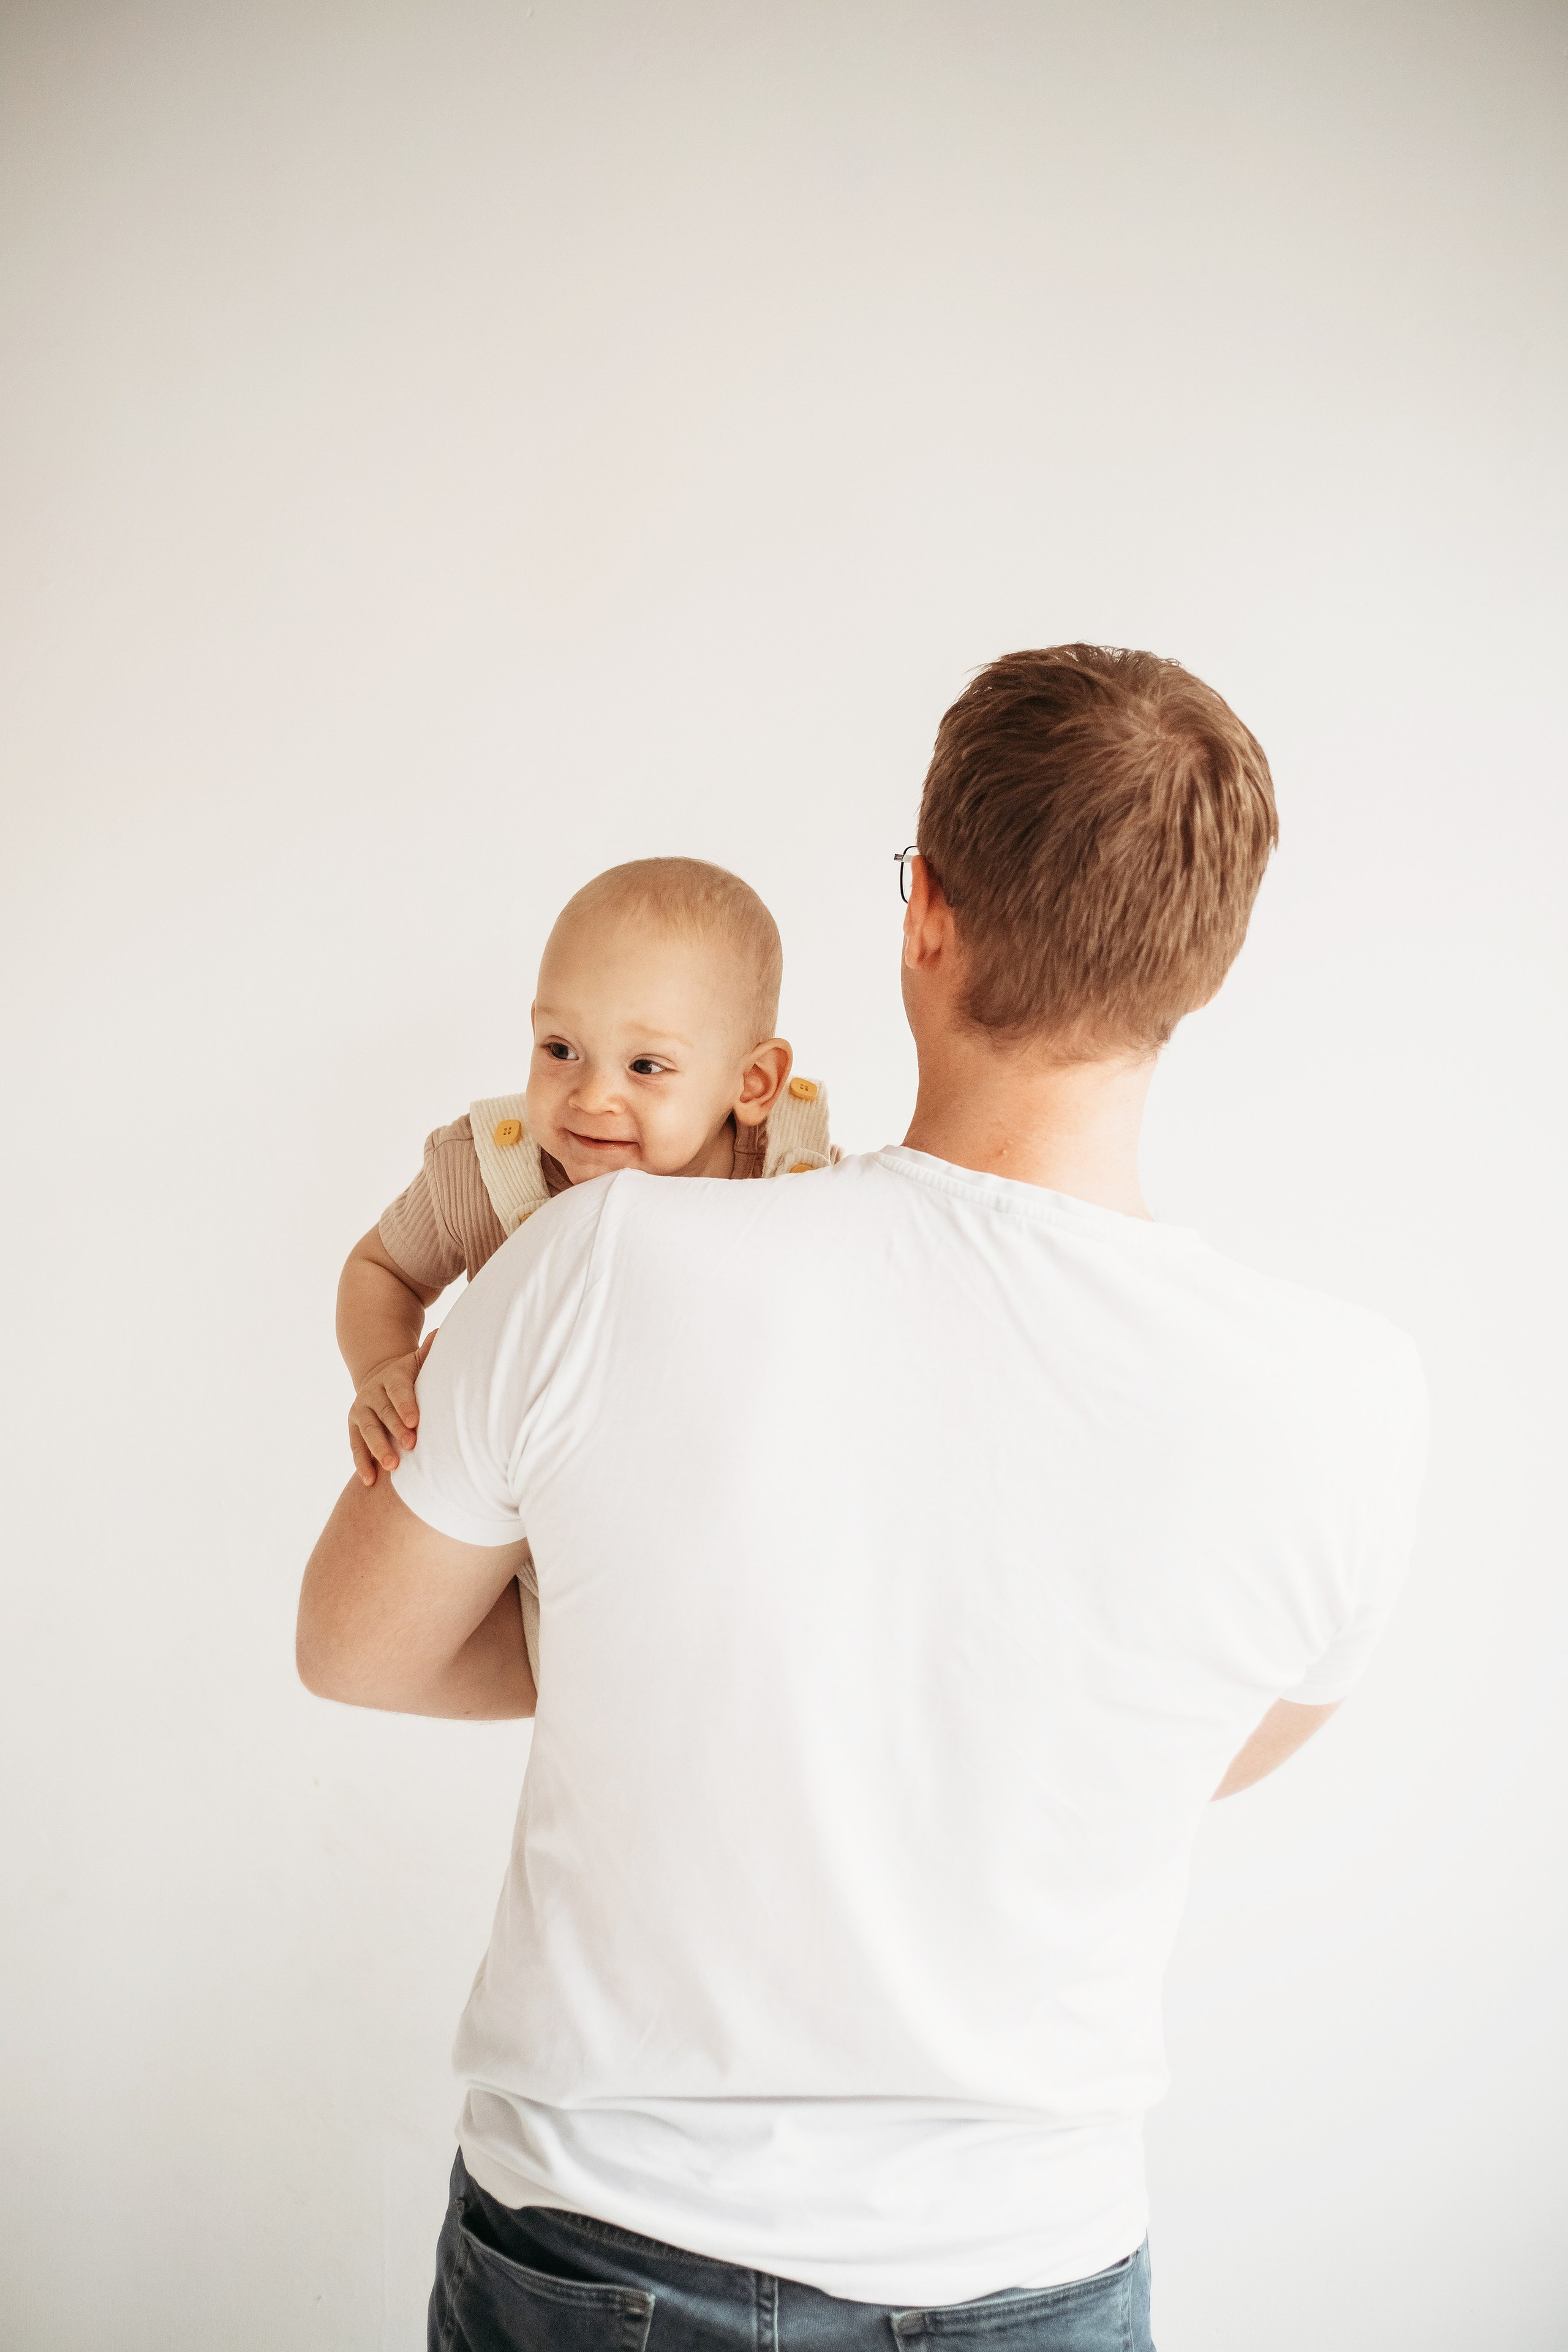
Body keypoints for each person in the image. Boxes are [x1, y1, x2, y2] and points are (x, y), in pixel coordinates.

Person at [298, 644, 1427, 2352]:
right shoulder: (1349, 1399)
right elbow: (1215, 1754)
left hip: (604, 2242)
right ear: (1203, 970)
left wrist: (653, 1644)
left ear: (925, 916)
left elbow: (357, 1649)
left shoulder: (607, 1259)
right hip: (1031, 2264)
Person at [333, 854, 835, 1681]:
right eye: (560, 1048)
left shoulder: (791, 1183)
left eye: (645, 1067)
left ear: (751, 1082)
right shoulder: (481, 1175)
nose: (592, 1096)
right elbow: (379, 1268)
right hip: (553, 1567)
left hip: (739, 1554)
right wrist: (380, 1367)